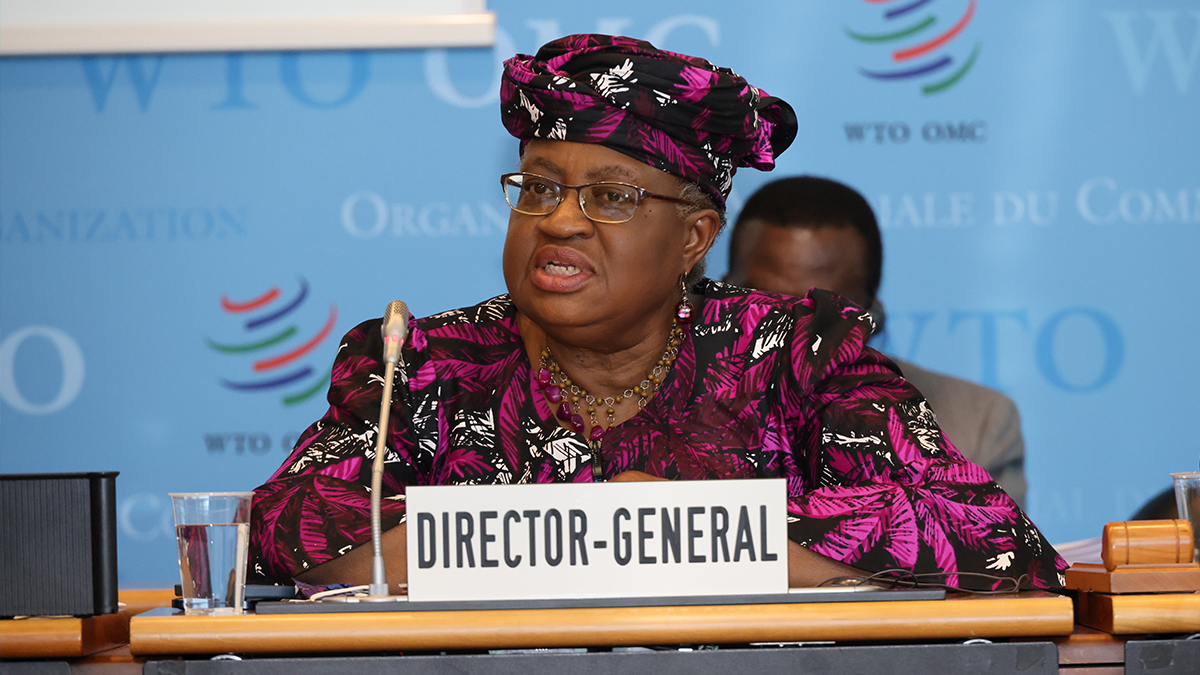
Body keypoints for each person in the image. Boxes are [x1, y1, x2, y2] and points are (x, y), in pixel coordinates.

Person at [249, 35, 1066, 592]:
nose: (560, 220)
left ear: (695, 236)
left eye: (609, 196)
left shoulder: (790, 355)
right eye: (538, 186)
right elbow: (283, 526)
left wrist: (681, 524)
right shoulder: (423, 364)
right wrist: (573, 533)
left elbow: (990, 538)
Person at [725, 176, 1028, 506]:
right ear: (719, 294)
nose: (790, 330)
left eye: (822, 311)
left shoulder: (976, 423)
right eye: (765, 302)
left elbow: (991, 554)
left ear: (872, 315)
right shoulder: (670, 413)